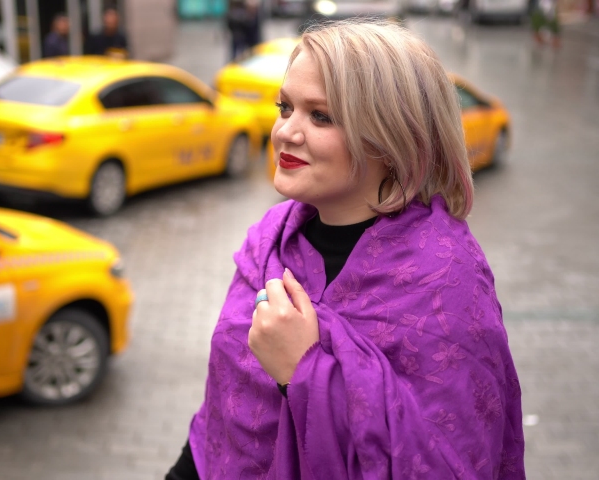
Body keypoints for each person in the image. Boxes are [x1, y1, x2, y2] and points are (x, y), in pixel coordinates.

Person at [165, 20, 525, 480]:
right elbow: (223, 413)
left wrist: (303, 370)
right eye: (285, 107)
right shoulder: (269, 241)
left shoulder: (447, 281)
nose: (286, 133)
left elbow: (446, 462)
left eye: (321, 116)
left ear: (392, 139)